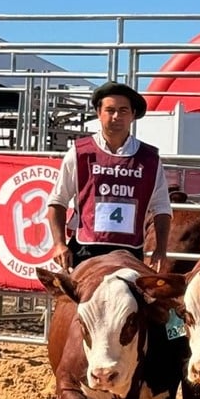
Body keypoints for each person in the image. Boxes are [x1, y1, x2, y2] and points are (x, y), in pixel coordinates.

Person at [47, 81, 172, 272]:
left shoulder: (150, 159)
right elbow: (57, 201)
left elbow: (161, 207)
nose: (116, 116)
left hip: (130, 253)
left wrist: (161, 250)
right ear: (99, 113)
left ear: (133, 115)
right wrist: (59, 244)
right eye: (110, 110)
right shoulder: (80, 152)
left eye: (123, 110)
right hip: (85, 250)